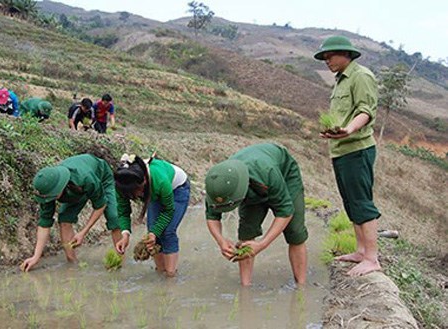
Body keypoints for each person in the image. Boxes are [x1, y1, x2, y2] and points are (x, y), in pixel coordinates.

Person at [314, 35, 381, 276]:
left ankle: (372, 258)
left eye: (330, 55)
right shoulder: (340, 81)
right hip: (341, 150)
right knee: (350, 201)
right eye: (324, 57)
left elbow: (366, 110)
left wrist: (349, 130)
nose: (327, 60)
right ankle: (361, 250)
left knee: (362, 201)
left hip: (357, 149)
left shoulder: (361, 76)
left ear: (346, 54)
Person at [205, 143, 308, 287]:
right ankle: (245, 287)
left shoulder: (267, 171)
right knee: (246, 233)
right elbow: (212, 216)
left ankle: (301, 286)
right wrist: (221, 240)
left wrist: (262, 244)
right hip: (251, 183)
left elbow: (285, 211)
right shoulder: (218, 184)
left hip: (284, 175)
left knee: (295, 232)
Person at [21, 154, 122, 272]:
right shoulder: (47, 190)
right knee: (64, 219)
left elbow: (101, 205)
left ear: (59, 187)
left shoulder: (85, 177)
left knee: (114, 217)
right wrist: (36, 256)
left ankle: (118, 261)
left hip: (102, 179)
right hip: (74, 190)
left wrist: (83, 232)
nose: (50, 200)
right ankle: (73, 263)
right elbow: (44, 224)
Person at [114, 154, 190, 277]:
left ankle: (170, 276)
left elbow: (168, 210)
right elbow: (123, 211)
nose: (137, 196)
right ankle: (160, 271)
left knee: (167, 232)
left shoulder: (160, 181)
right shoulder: (122, 184)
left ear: (144, 181)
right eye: (131, 194)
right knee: (152, 232)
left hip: (177, 189)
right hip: (153, 191)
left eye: (137, 191)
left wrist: (155, 232)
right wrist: (125, 235)